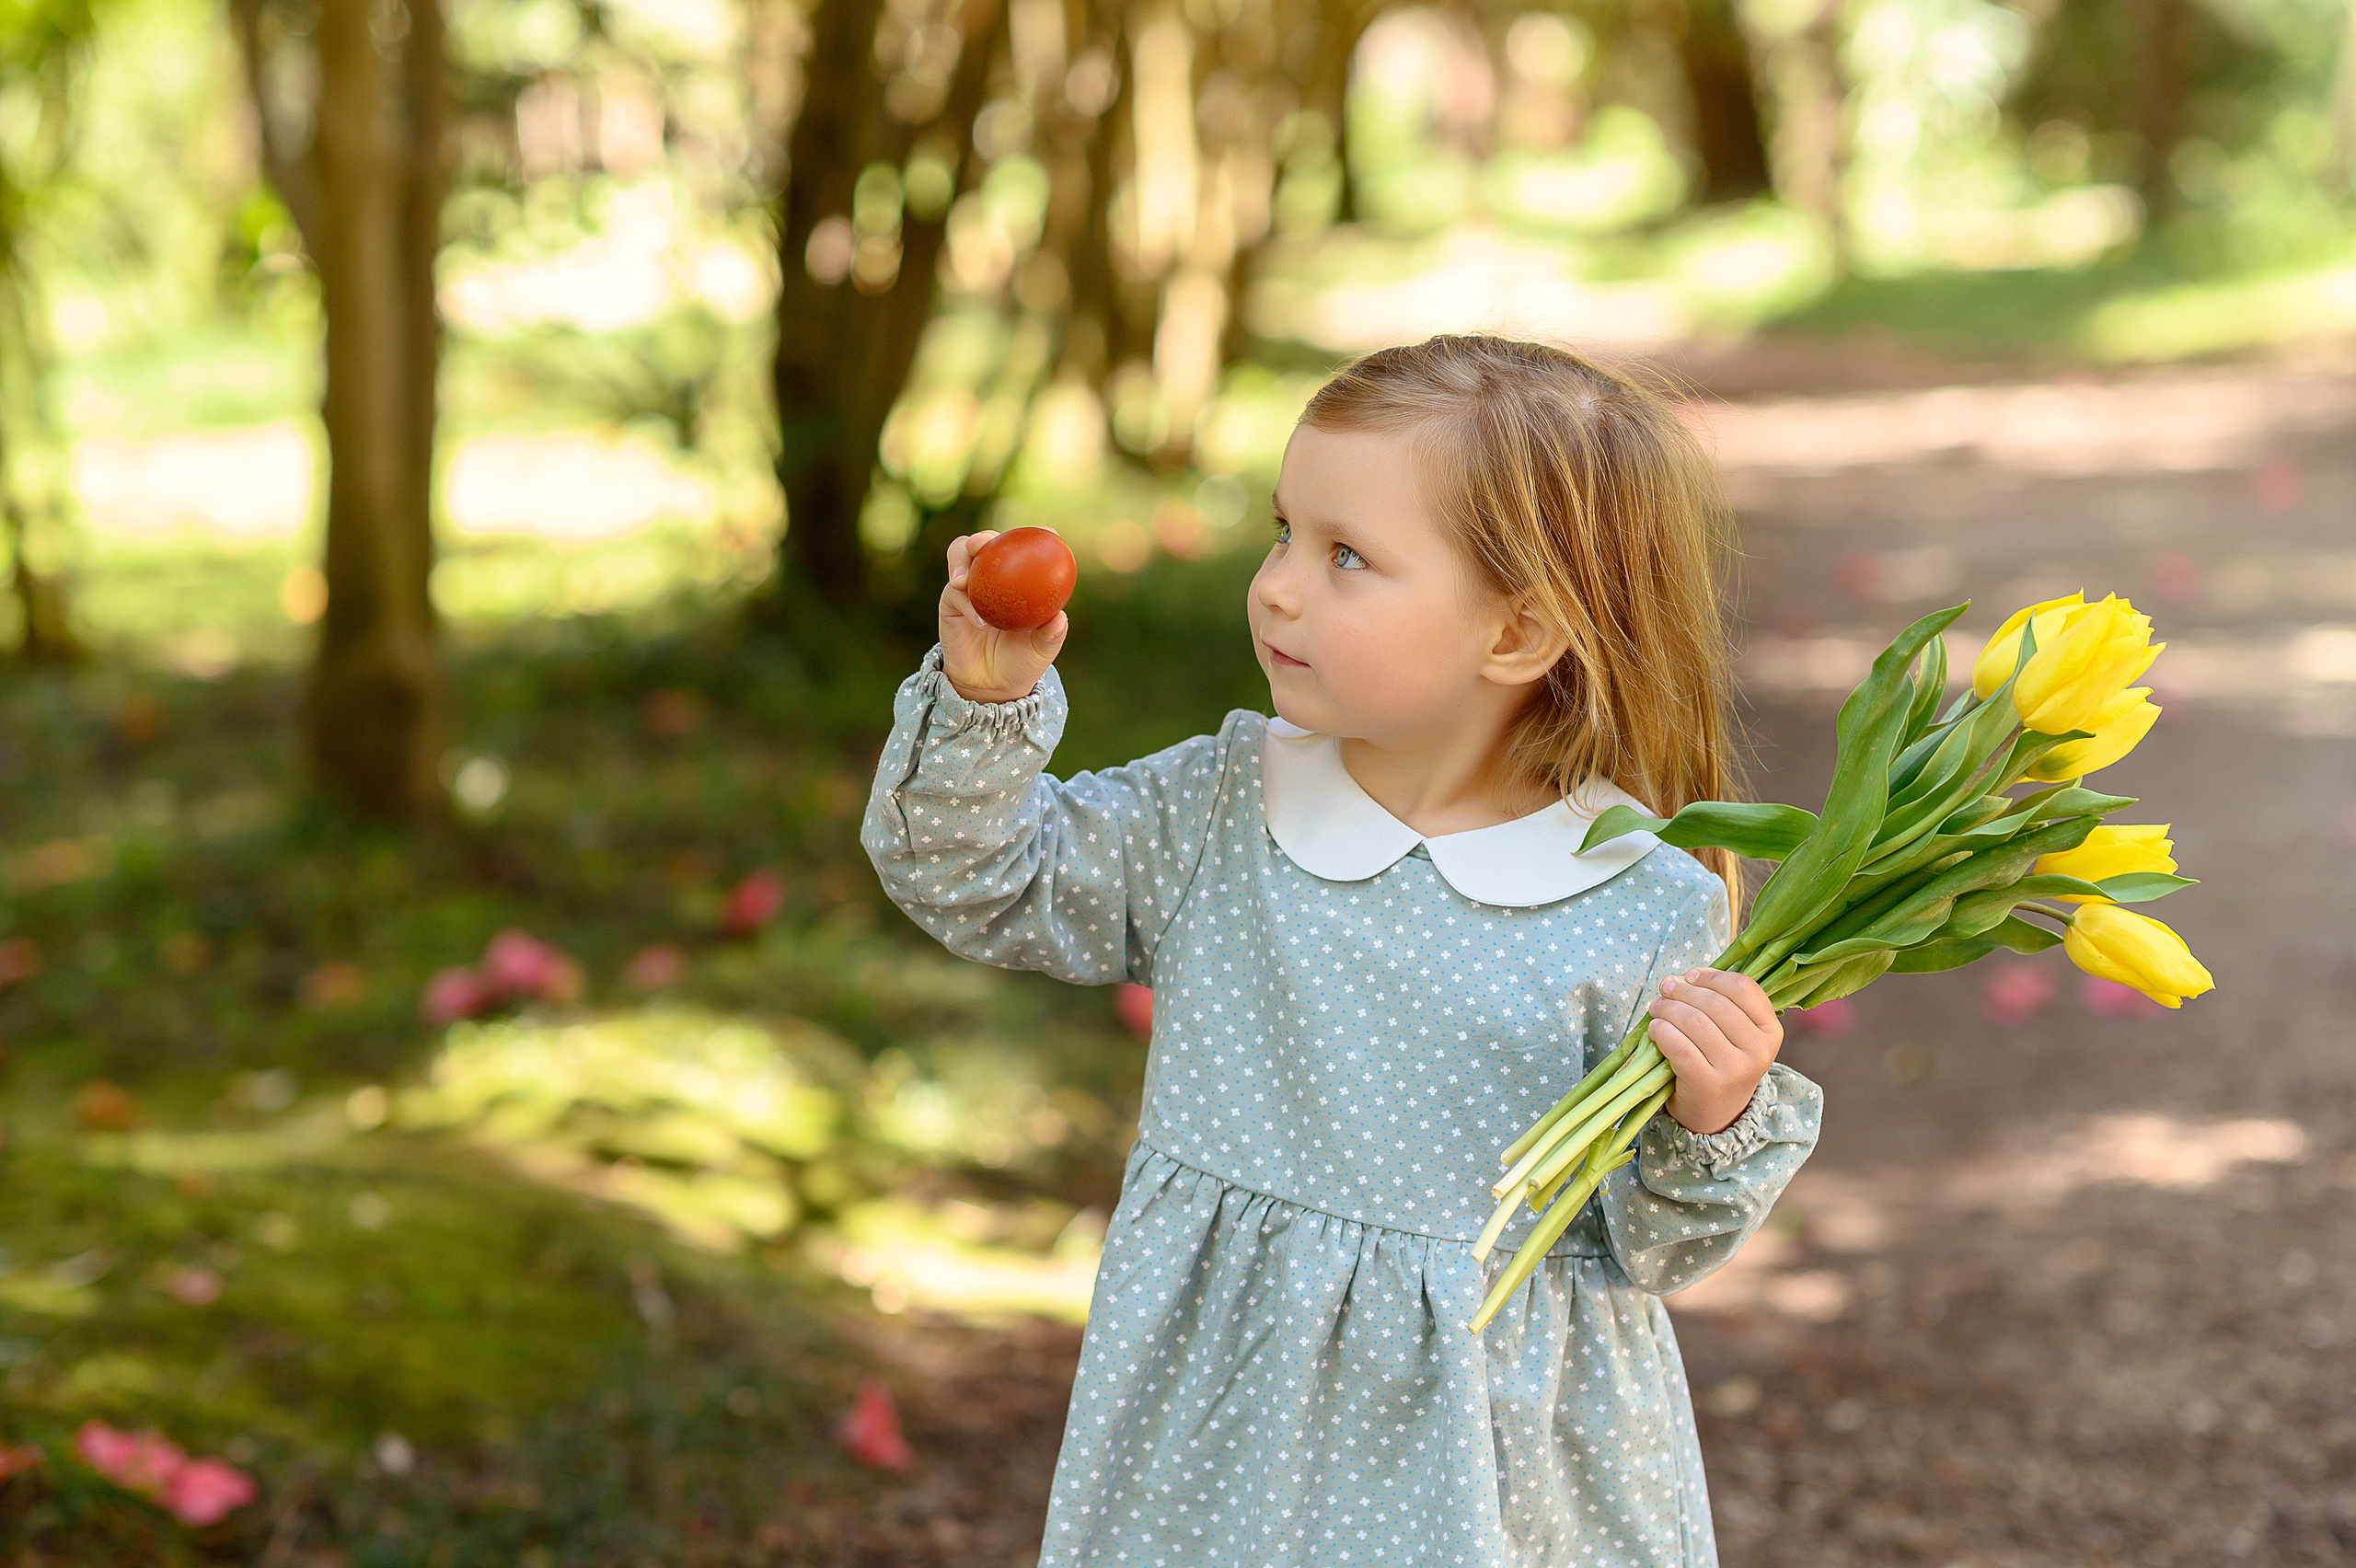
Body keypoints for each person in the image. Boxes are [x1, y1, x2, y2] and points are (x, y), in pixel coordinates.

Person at [860, 334, 1821, 1567]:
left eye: (1347, 557)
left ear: (1518, 633)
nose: (1277, 587)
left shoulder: (1633, 904)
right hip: (1223, 1422)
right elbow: (981, 879)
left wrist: (1713, 1113)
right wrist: (985, 701)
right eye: (1282, 533)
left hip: (1490, 1463)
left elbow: (1655, 1245)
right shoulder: (1224, 808)